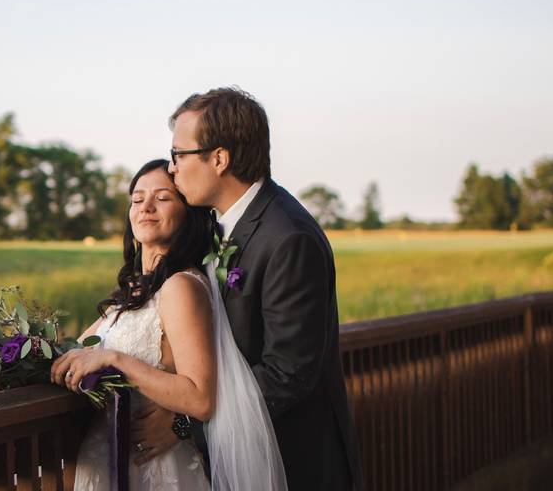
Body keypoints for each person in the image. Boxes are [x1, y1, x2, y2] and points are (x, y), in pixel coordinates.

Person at [132, 87, 365, 490]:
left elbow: (287, 374)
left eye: (178, 155)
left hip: (293, 461)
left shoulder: (288, 237)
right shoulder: (216, 227)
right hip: (238, 458)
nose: (171, 169)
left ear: (219, 159)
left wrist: (186, 426)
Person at [52, 159, 287, 490]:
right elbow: (74, 351)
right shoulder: (134, 291)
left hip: (153, 470)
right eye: (137, 199)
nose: (146, 206)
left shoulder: (180, 287)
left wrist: (115, 359)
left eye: (162, 198)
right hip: (108, 458)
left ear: (187, 212)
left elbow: (201, 398)